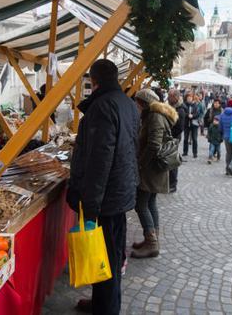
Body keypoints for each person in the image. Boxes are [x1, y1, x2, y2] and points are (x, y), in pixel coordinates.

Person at [67, 59, 140, 314]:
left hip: (107, 197)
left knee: (107, 258)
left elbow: (100, 160)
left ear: (93, 81)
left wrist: (90, 204)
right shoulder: (128, 104)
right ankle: (101, 303)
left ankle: (106, 309)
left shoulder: (102, 107)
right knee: (107, 255)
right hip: (120, 191)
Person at [131, 89, 176, 259]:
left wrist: (140, 164)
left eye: (137, 102)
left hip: (151, 170)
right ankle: (152, 239)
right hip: (153, 169)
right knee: (149, 203)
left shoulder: (155, 117)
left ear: (143, 103)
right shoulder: (153, 116)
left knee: (141, 204)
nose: (135, 105)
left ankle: (152, 243)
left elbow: (154, 146)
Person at [167, 89, 186, 193]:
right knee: (168, 159)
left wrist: (170, 135)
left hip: (174, 138)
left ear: (176, 97)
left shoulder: (180, 110)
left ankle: (173, 184)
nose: (169, 98)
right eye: (169, 96)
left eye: (170, 96)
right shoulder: (172, 106)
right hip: (171, 137)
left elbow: (180, 128)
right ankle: (169, 182)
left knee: (172, 161)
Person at [182, 93, 203, 159]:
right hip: (186, 124)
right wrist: (187, 115)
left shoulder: (195, 105)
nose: (189, 99)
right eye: (188, 98)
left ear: (192, 98)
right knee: (185, 139)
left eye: (190, 98)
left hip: (194, 124)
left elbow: (198, 113)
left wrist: (193, 116)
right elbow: (182, 113)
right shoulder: (184, 105)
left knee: (194, 139)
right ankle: (185, 152)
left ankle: (195, 153)